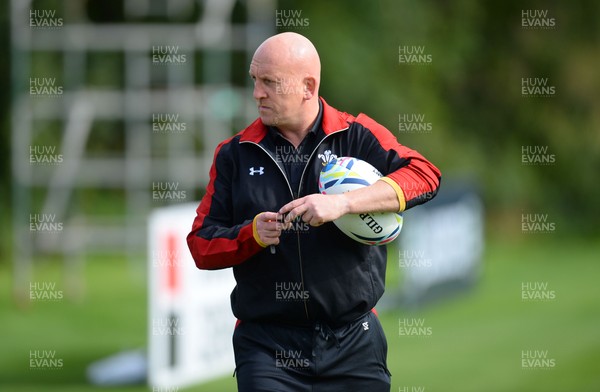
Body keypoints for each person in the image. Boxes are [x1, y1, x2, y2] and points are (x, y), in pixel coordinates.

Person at [187, 32, 441, 392]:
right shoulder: (234, 153)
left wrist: (344, 204)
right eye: (255, 80)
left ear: (308, 86)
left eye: (270, 83)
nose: (257, 93)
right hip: (266, 349)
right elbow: (200, 244)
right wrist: (251, 235)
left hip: (354, 342)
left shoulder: (356, 134)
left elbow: (425, 176)